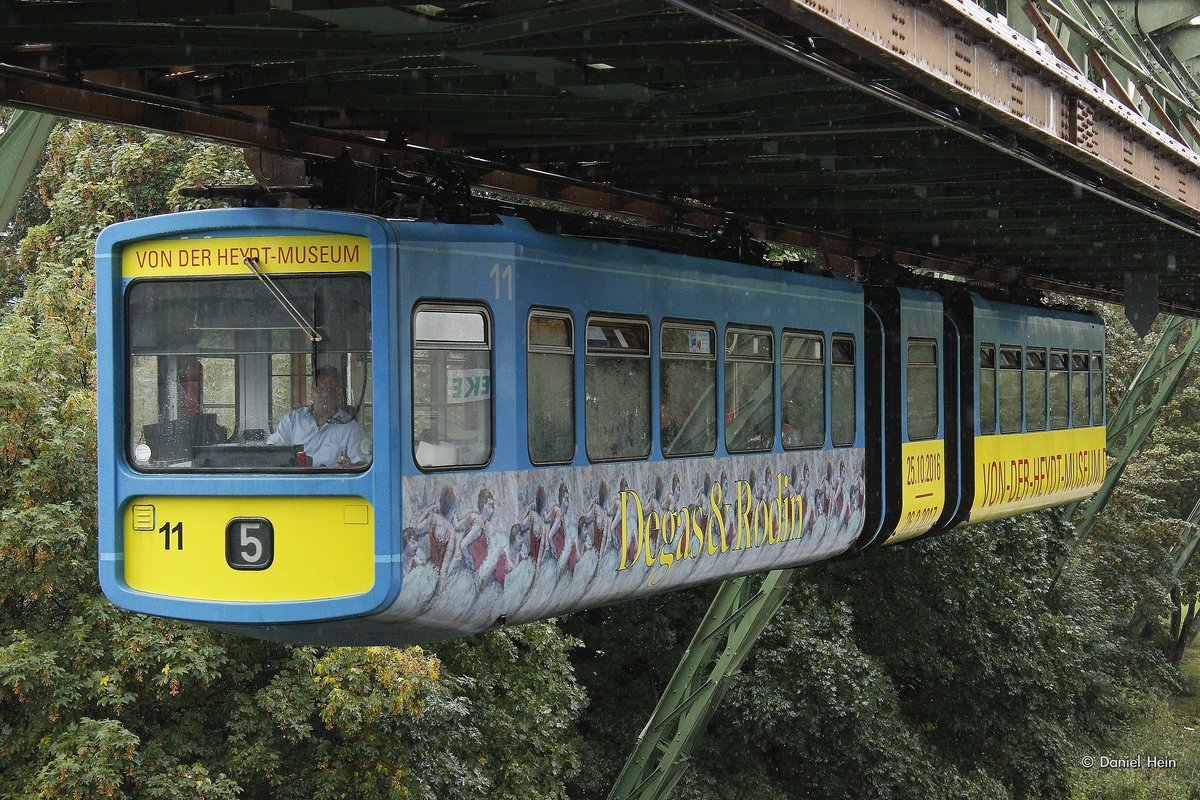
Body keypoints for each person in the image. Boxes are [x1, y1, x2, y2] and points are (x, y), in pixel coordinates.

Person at [267, 365, 370, 467]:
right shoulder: (292, 420)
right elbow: (272, 450)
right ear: (312, 393)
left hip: (331, 482)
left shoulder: (351, 428)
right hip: (295, 481)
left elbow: (362, 465)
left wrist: (351, 467)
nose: (325, 395)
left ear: (338, 393)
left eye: (330, 390)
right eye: (320, 390)